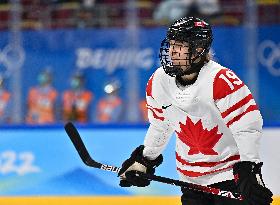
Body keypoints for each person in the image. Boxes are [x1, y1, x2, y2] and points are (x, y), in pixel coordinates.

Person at [117, 17, 273, 205]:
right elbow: (160, 125)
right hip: (191, 181)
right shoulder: (158, 81)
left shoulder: (221, 80)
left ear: (198, 49)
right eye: (171, 44)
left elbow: (247, 126)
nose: (172, 50)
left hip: (229, 177)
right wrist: (144, 160)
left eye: (180, 45)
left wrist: (250, 168)